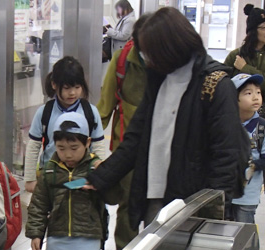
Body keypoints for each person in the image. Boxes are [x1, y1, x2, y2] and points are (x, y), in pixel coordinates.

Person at [85, 7, 249, 228]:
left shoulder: (216, 85)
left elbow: (227, 155)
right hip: (154, 199)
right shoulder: (158, 80)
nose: (146, 58)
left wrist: (211, 211)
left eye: (150, 51)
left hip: (193, 207)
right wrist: (101, 177)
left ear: (169, 47)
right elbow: (135, 139)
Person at [26, 112, 118, 250]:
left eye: (74, 148)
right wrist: (36, 233)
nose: (67, 154)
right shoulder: (50, 171)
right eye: (61, 148)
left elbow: (114, 198)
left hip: (87, 244)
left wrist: (104, 181)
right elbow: (39, 204)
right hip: (56, 245)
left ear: (88, 143)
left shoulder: (96, 167)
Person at [97, 14, 150, 250]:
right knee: (128, 206)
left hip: (162, 150)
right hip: (126, 149)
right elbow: (105, 107)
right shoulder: (122, 61)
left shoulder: (171, 65)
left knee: (158, 208)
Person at [24, 56, 107, 193]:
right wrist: (30, 180)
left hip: (82, 177)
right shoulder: (45, 112)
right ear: (54, 85)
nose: (73, 93)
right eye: (67, 88)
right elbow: (33, 146)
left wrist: (101, 176)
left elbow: (98, 146)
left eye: (77, 87)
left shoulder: (90, 112)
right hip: (51, 175)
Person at [230, 73, 265, 250]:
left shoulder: (261, 127)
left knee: (245, 225)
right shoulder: (226, 124)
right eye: (248, 93)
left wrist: (253, 166)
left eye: (258, 92)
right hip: (226, 189)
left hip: (248, 193)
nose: (255, 97)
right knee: (226, 227)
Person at [224, 4, 265, 97]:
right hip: (238, 108)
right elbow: (223, 83)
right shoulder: (236, 55)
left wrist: (245, 68)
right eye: (263, 28)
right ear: (253, 31)